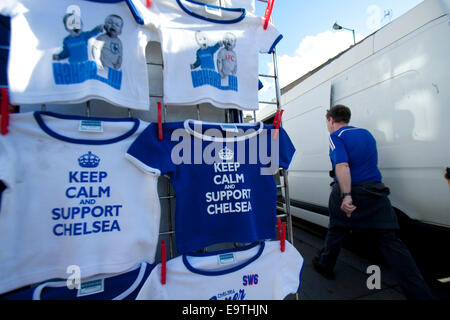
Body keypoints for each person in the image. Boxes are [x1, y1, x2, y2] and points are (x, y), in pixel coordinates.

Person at [312, 104, 434, 300]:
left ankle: (325, 265)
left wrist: (347, 196)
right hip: (375, 192)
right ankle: (420, 294)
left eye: (327, 122)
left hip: (352, 190)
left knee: (336, 229)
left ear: (331, 120)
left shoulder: (336, 137)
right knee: (390, 241)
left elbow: (342, 165)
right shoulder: (367, 134)